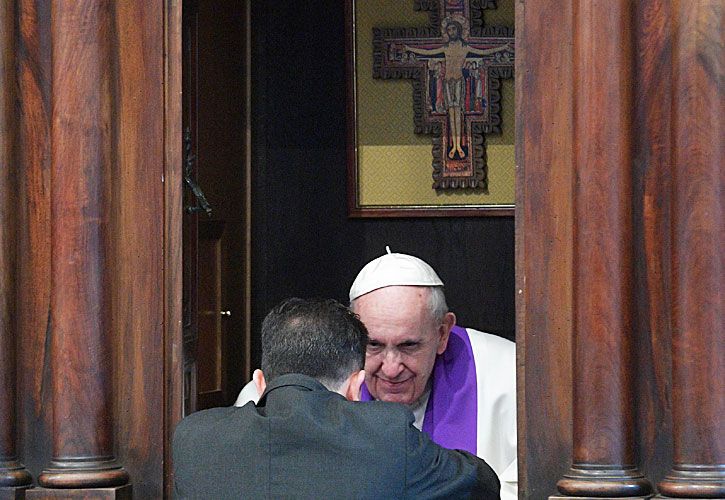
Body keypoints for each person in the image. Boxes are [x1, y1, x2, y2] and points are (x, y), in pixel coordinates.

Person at [175, 298, 501, 499]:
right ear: (354, 386)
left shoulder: (193, 438)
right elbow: (483, 485)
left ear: (259, 383)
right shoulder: (388, 437)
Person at [348, 248, 517, 500]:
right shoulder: (330, 376)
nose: (391, 368)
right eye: (374, 345)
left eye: (409, 346)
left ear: (443, 333)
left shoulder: (507, 375)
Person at [404, 17, 511, 159]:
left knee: (458, 113)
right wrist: (409, 48)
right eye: (449, 29)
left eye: (453, 29)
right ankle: (453, 145)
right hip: (447, 82)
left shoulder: (464, 47)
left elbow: (484, 51)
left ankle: (459, 145)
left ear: (459, 30)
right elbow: (427, 52)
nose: (451, 32)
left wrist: (502, 47)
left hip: (459, 82)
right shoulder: (445, 48)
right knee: (451, 113)